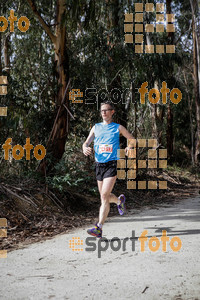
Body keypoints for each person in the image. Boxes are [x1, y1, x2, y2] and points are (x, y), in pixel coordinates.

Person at [82, 101, 134, 238]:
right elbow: (86, 142)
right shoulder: (96, 127)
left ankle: (98, 227)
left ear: (112, 112)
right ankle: (118, 201)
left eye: (106, 110)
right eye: (102, 110)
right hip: (99, 165)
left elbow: (132, 139)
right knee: (104, 197)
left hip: (112, 164)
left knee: (104, 195)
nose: (104, 112)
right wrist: (85, 147)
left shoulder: (118, 128)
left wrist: (129, 147)